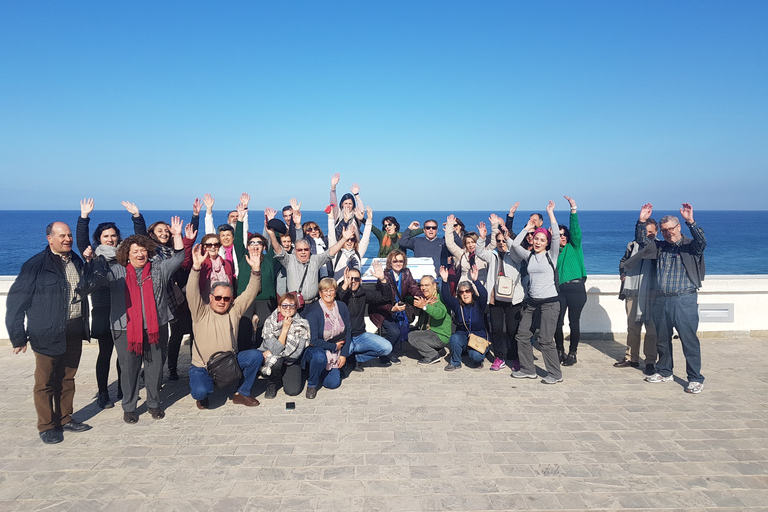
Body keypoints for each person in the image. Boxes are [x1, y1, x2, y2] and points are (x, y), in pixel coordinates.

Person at [81, 217, 185, 423]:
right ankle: (129, 406)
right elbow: (94, 280)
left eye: (143, 250)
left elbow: (179, 257)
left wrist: (177, 235)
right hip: (124, 329)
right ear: (126, 254)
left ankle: (154, 403)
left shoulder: (159, 269)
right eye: (135, 251)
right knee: (129, 370)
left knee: (155, 367)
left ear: (148, 251)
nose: (140, 254)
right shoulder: (115, 272)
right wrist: (90, 261)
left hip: (157, 327)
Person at [6, 221, 92, 444]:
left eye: (69, 235)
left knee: (67, 378)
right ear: (49, 238)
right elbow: (16, 302)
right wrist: (17, 336)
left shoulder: (75, 260)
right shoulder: (35, 265)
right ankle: (46, 425)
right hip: (46, 332)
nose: (67, 239)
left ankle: (64, 418)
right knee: (45, 382)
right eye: (62, 236)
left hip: (73, 329)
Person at [632, 203, 706, 394]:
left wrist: (691, 221)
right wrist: (641, 221)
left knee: (688, 340)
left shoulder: (691, 247)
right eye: (664, 230)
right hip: (661, 299)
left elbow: (702, 241)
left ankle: (695, 378)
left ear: (678, 227)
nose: (667, 233)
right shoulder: (659, 247)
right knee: (662, 339)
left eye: (671, 229)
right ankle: (665, 371)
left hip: (684, 300)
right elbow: (641, 241)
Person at [187, 244, 265, 409]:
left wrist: (256, 270)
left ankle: (241, 393)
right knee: (200, 392)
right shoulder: (200, 311)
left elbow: (250, 292)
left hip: (229, 361)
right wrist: (196, 268)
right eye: (218, 297)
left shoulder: (234, 310)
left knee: (255, 356)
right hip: (203, 366)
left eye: (226, 298)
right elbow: (191, 291)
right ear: (211, 297)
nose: (222, 301)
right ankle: (204, 390)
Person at [508, 201, 563, 384]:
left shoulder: (551, 255)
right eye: (536, 239)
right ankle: (528, 369)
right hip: (532, 302)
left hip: (550, 303)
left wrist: (550, 213)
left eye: (542, 240)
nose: (538, 242)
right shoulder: (529, 255)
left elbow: (555, 235)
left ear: (547, 243)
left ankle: (555, 374)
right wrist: (528, 228)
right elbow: (515, 244)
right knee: (522, 335)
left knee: (546, 340)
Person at [76, 198, 123, 408]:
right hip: (103, 310)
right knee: (105, 353)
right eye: (106, 236)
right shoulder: (93, 256)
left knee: (124, 354)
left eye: (113, 235)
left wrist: (136, 216)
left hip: (123, 309)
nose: (111, 239)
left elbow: (140, 241)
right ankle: (103, 393)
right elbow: (81, 242)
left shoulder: (124, 256)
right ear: (99, 238)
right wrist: (84, 217)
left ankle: (125, 388)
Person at [475, 213, 526, 372]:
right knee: (496, 329)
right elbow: (479, 253)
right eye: (499, 241)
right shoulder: (492, 256)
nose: (501, 243)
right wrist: (483, 237)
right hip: (495, 298)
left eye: (503, 240)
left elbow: (516, 250)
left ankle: (515, 357)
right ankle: (499, 357)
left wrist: (507, 237)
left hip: (513, 299)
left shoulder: (515, 256)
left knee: (513, 329)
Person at [267, 224, 353, 307]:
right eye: (300, 250)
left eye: (306, 249)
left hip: (313, 304)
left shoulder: (315, 260)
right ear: (295, 251)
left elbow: (330, 252)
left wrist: (344, 239)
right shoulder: (289, 260)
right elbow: (279, 250)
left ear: (310, 250)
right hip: (296, 305)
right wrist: (272, 235)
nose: (303, 252)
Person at [616, 218, 658, 374]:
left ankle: (650, 361)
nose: (647, 236)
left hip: (651, 293)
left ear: (656, 232)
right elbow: (623, 261)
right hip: (632, 292)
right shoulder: (632, 245)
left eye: (651, 233)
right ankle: (631, 358)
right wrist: (623, 273)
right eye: (644, 232)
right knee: (633, 328)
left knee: (651, 330)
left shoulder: (659, 247)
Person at [234, 203, 278, 351]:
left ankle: (263, 360)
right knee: (243, 331)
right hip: (246, 299)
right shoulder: (243, 258)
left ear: (264, 247)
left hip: (265, 300)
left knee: (265, 332)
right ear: (248, 247)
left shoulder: (269, 259)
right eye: (252, 243)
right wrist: (240, 219)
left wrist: (272, 224)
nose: (255, 245)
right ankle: (243, 360)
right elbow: (237, 241)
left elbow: (276, 245)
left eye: (259, 243)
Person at [368, 250, 423, 365]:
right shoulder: (384, 275)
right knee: (394, 332)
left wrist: (422, 298)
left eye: (401, 261)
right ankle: (383, 353)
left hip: (399, 308)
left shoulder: (406, 273)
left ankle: (391, 352)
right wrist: (392, 309)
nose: (398, 263)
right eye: (395, 261)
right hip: (383, 310)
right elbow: (381, 299)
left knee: (402, 326)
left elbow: (413, 287)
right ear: (390, 262)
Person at [302, 278, 353, 399]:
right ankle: (312, 384)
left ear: (335, 292)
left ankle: (325, 370)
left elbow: (348, 331)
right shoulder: (314, 312)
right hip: (318, 348)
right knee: (319, 358)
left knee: (333, 384)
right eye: (325, 290)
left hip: (338, 348)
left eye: (331, 290)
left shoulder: (342, 306)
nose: (329, 293)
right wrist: (334, 347)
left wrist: (343, 355)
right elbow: (313, 340)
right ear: (320, 293)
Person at [336, 263, 393, 372]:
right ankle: (349, 356)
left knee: (387, 348)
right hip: (344, 337)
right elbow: (336, 302)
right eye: (349, 278)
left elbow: (385, 297)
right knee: (348, 349)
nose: (352, 281)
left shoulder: (363, 293)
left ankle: (356, 358)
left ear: (360, 281)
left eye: (356, 279)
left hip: (360, 335)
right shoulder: (340, 292)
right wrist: (344, 286)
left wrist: (383, 279)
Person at [554, 195, 588, 366]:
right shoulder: (552, 253)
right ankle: (559, 350)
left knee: (574, 322)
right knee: (557, 322)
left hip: (576, 289)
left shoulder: (574, 246)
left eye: (563, 234)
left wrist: (573, 209)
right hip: (559, 290)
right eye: (558, 235)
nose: (561, 237)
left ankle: (572, 353)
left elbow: (575, 230)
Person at [260, 293, 311, 399]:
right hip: (273, 360)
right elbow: (275, 348)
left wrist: (273, 352)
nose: (288, 308)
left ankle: (284, 373)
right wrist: (285, 329)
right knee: (277, 361)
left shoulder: (303, 324)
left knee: (293, 391)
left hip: (290, 360)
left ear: (296, 307)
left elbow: (296, 353)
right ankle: (272, 381)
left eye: (292, 305)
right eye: (284, 305)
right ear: (279, 307)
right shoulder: (269, 322)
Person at [439, 265, 489, 371]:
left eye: (467, 291)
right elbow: (446, 296)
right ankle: (456, 362)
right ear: (459, 294)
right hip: (462, 334)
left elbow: (484, 294)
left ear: (472, 292)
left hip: (478, 335)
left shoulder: (479, 303)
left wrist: (475, 281)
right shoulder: (458, 304)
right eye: (461, 292)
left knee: (476, 356)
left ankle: (478, 356)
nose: (465, 294)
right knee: (454, 338)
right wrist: (444, 280)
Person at [409, 275, 451, 365]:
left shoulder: (438, 299)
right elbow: (409, 299)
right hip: (431, 332)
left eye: (427, 285)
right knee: (410, 331)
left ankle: (432, 355)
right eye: (421, 285)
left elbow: (440, 314)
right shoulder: (425, 298)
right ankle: (439, 350)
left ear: (434, 286)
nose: (423, 288)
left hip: (439, 335)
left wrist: (425, 306)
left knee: (412, 337)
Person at [327, 206, 373, 283]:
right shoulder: (337, 254)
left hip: (355, 289)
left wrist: (369, 221)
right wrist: (331, 218)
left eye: (352, 239)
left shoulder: (358, 253)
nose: (349, 242)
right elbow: (331, 237)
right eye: (347, 239)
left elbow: (365, 239)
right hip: (340, 289)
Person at [444, 215, 489, 287]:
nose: (471, 245)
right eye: (468, 243)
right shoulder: (462, 254)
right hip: (465, 288)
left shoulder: (485, 253)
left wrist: (483, 237)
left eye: (473, 242)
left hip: (482, 286)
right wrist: (449, 226)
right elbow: (450, 244)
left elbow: (493, 243)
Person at [197, 233, 236, 299]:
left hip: (225, 302)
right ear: (204, 247)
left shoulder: (226, 264)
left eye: (216, 245)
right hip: (206, 303)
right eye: (209, 245)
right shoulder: (200, 263)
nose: (213, 247)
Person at [330, 173, 364, 239]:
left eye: (350, 204)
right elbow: (333, 203)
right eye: (346, 203)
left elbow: (361, 211)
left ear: (353, 204)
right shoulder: (338, 213)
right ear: (342, 204)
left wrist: (356, 195)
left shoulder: (355, 215)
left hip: (354, 245)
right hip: (339, 245)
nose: (348, 206)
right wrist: (333, 188)